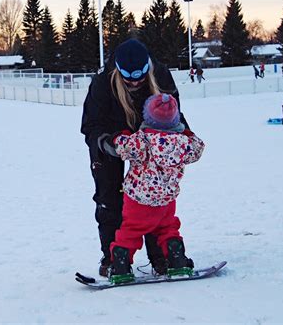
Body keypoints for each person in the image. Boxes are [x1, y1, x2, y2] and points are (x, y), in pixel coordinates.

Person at [81, 38, 190, 277]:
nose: (134, 82)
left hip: (150, 139)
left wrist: (184, 136)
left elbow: (172, 113)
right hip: (110, 141)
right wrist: (108, 144)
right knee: (109, 197)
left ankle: (160, 256)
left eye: (140, 78)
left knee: (154, 196)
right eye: (128, 78)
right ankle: (113, 259)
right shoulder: (102, 82)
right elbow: (91, 124)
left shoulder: (160, 75)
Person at [108, 93, 205, 283]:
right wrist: (187, 133)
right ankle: (177, 260)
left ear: (148, 118)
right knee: (168, 228)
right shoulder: (182, 143)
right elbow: (198, 148)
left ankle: (120, 266)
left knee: (130, 231)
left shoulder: (141, 140)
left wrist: (120, 136)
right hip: (165, 199)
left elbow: (122, 148)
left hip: (137, 199)